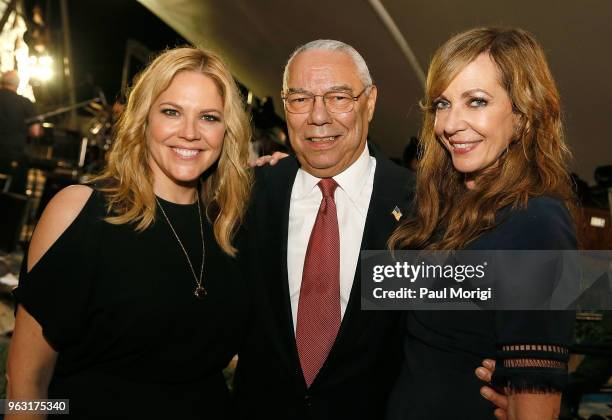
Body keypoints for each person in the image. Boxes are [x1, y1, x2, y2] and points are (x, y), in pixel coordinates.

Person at [233, 39, 501, 420]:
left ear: (370, 102)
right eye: (300, 98)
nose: (318, 116)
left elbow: (481, 307)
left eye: (339, 97)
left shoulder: (425, 207)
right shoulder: (248, 195)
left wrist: (510, 374)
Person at [7, 47, 252, 419]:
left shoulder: (228, 228)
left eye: (209, 117)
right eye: (171, 112)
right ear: (144, 118)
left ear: (226, 131)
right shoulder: (81, 211)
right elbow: (25, 385)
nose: (189, 132)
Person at [386, 27, 577, 419]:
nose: (450, 123)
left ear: (524, 116)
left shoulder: (536, 223)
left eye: (476, 101)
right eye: (442, 103)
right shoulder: (442, 206)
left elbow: (536, 408)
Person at [0, 70, 42, 194]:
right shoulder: (25, 103)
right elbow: (35, 132)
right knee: (14, 194)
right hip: (14, 156)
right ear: (17, 84)